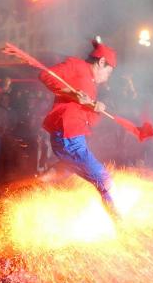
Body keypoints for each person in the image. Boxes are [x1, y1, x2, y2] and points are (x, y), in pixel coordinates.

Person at [38, 37, 118, 218]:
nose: (106, 79)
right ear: (101, 62)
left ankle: (28, 185)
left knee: (65, 171)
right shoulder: (76, 65)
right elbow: (45, 75)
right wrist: (71, 94)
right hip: (68, 135)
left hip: (74, 136)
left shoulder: (92, 85)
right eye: (108, 73)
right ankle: (120, 223)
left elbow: (89, 121)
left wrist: (96, 108)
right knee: (104, 179)